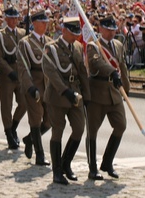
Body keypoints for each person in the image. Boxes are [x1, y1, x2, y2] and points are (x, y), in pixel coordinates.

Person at [42, 16, 90, 185]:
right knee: (58, 131)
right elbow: (51, 73)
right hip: (57, 96)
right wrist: (65, 91)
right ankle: (57, 172)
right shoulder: (51, 48)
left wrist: (87, 95)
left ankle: (66, 163)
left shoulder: (77, 47)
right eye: (72, 32)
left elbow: (82, 73)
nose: (76, 35)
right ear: (63, 31)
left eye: (77, 32)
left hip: (75, 93)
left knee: (79, 128)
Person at [86, 14, 130, 180]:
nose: (111, 33)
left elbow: (122, 66)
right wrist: (112, 71)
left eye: (113, 30)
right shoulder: (94, 46)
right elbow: (96, 63)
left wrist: (126, 88)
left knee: (121, 125)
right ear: (101, 29)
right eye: (108, 30)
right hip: (97, 92)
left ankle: (108, 162)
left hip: (115, 91)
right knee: (92, 132)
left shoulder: (118, 45)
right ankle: (92, 167)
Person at [16, 9, 52, 166]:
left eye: (46, 22)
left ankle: (29, 139)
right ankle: (40, 155)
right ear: (34, 23)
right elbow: (23, 68)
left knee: (50, 121)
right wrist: (30, 87)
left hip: (48, 86)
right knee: (36, 118)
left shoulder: (50, 42)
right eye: (42, 22)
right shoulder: (25, 43)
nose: (45, 25)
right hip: (34, 84)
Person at [0, 5, 27, 149]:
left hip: (20, 73)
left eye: (16, 18)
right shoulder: (0, 35)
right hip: (7, 75)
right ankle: (8, 133)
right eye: (11, 18)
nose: (13, 20)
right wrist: (9, 71)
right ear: (6, 19)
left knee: (24, 102)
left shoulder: (23, 33)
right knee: (6, 106)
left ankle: (13, 126)